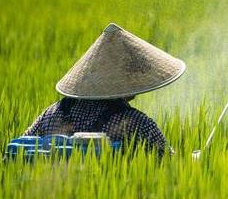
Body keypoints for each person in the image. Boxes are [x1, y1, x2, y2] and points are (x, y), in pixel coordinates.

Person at [23, 23, 186, 157]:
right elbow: (170, 163)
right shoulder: (136, 122)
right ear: (125, 81)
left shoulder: (51, 114)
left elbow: (18, 148)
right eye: (132, 70)